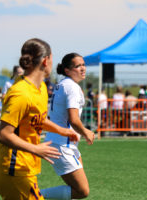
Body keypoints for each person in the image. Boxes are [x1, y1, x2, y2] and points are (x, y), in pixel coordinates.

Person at [0, 38, 79, 200]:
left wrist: (61, 130)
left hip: (25, 168)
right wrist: (35, 149)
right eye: (52, 58)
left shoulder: (41, 88)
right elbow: (3, 134)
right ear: (46, 61)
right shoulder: (21, 93)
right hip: (12, 170)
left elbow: (36, 119)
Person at [41, 53, 95, 200]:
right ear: (67, 70)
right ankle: (32, 196)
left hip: (63, 143)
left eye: (83, 64)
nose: (83, 68)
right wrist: (86, 132)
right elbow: (74, 119)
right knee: (82, 191)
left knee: (75, 191)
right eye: (78, 66)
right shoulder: (72, 88)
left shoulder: (63, 84)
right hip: (62, 145)